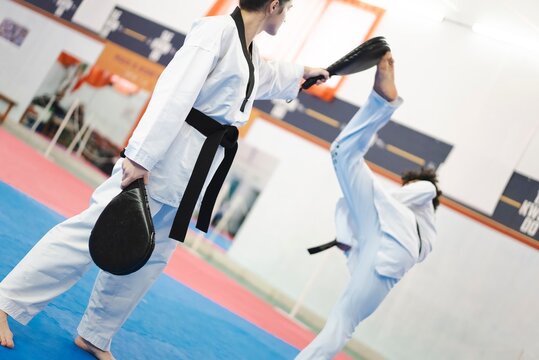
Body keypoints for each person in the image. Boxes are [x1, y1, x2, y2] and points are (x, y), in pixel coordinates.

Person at [0, 1, 329, 358]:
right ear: (274, 5)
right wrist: (141, 157)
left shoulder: (246, 48)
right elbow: (174, 93)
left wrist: (301, 73)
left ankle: (95, 334)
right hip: (163, 158)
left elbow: (263, 76)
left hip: (192, 172)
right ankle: (5, 302)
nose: (288, 15)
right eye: (289, 8)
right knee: (90, 233)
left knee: (149, 255)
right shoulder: (215, 33)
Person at [296, 52, 442, 360]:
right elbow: (356, 217)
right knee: (342, 323)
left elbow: (410, 195)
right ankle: (382, 101)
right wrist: (350, 239)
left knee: (343, 154)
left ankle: (382, 101)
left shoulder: (425, 191)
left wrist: (369, 201)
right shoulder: (422, 237)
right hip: (382, 256)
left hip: (385, 236)